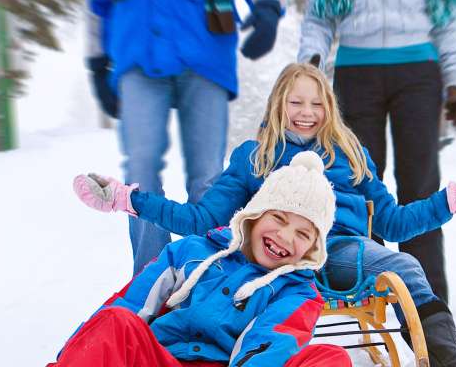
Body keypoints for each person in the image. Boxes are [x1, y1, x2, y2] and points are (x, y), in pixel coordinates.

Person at [74, 63, 456, 367]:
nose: (306, 113)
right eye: (295, 103)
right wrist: (131, 201)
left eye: (316, 103)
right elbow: (201, 218)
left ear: (328, 107)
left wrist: (455, 200)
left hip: (341, 250)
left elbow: (392, 222)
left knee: (406, 264)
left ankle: (453, 363)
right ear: (278, 105)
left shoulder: (350, 154)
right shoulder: (255, 155)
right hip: (274, 261)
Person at [53, 151, 351, 367]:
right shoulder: (191, 252)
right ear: (253, 216)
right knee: (116, 320)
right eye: (278, 218)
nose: (286, 237)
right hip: (159, 359)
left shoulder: (298, 293)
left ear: (313, 248)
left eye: (303, 234)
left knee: (330, 359)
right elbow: (131, 303)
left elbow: (269, 345)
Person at [87, 0, 287, 274]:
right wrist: (97, 61)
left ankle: (205, 274)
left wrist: (268, 5)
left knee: (207, 177)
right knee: (140, 169)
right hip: (137, 51)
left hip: (204, 52)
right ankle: (151, 276)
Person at [297, 0, 456, 305]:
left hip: (418, 72)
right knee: (358, 186)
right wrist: (310, 64)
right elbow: (319, 19)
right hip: (355, 73)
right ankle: (363, 294)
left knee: (419, 187)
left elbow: (445, 17)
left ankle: (428, 304)